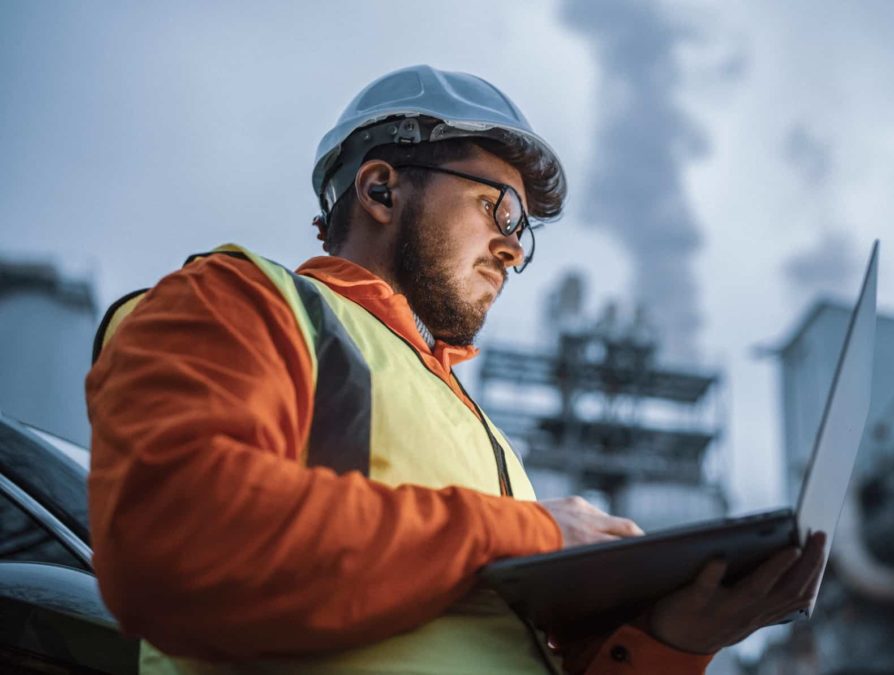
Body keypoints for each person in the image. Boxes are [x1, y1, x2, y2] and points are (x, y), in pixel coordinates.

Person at [86, 65, 826, 674]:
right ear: (380, 190)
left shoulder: (485, 441)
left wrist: (677, 637)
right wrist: (527, 533)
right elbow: (176, 536)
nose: (513, 248)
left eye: (523, 232)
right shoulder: (242, 301)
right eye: (497, 208)